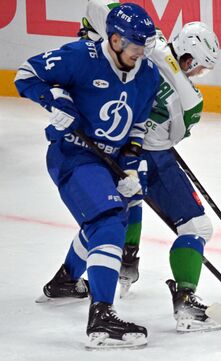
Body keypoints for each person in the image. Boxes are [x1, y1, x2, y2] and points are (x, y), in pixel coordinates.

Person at [14, 3, 160, 349]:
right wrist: (54, 100)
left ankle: (66, 281)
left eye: (144, 45)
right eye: (135, 44)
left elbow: (137, 126)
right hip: (73, 155)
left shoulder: (148, 74)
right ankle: (102, 316)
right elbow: (25, 74)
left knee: (109, 216)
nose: (141, 52)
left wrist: (130, 163)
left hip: (108, 159)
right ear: (114, 39)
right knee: (108, 220)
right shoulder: (82, 57)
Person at [78, 0, 221, 333]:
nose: (199, 72)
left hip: (114, 147)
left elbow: (100, 6)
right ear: (187, 57)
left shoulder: (148, 41)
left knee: (115, 214)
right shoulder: (192, 100)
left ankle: (121, 262)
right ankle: (185, 301)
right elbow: (174, 136)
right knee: (196, 228)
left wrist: (89, 33)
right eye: (199, 66)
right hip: (154, 158)